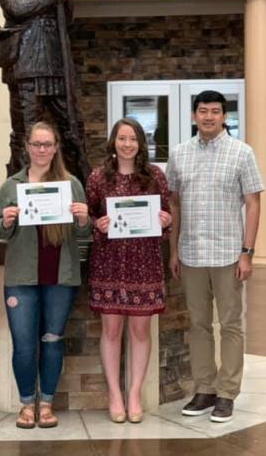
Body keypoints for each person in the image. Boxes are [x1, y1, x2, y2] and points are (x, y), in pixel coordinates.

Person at [166, 90, 264, 424]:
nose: (208, 117)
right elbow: (174, 204)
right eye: (203, 111)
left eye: (215, 111)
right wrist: (173, 249)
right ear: (194, 116)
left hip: (227, 255)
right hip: (192, 254)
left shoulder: (242, 153)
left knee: (231, 325)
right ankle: (205, 388)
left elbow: (253, 203)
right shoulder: (179, 155)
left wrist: (247, 253)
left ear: (224, 116)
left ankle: (227, 393)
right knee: (198, 325)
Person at [0, 121, 91, 429]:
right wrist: (6, 221)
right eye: (37, 144)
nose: (42, 150)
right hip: (21, 277)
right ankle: (26, 404)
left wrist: (85, 218)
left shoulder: (71, 183)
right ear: (28, 147)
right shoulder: (12, 186)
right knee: (23, 344)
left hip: (60, 276)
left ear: (56, 147)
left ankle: (45, 403)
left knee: (52, 340)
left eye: (48, 144)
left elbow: (83, 234)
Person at [0, 0, 90, 184]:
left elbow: (67, 17)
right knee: (25, 133)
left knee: (72, 129)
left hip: (55, 62)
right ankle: (20, 192)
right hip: (24, 62)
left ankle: (86, 190)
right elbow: (16, 8)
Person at [85, 118, 172, 424]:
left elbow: (167, 216)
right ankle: (114, 394)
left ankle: (134, 392)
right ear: (113, 142)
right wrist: (98, 224)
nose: (127, 144)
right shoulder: (98, 178)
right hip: (109, 263)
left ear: (140, 143)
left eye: (132, 139)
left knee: (140, 331)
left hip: (144, 263)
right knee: (111, 331)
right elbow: (90, 216)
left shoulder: (154, 176)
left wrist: (164, 221)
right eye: (122, 138)